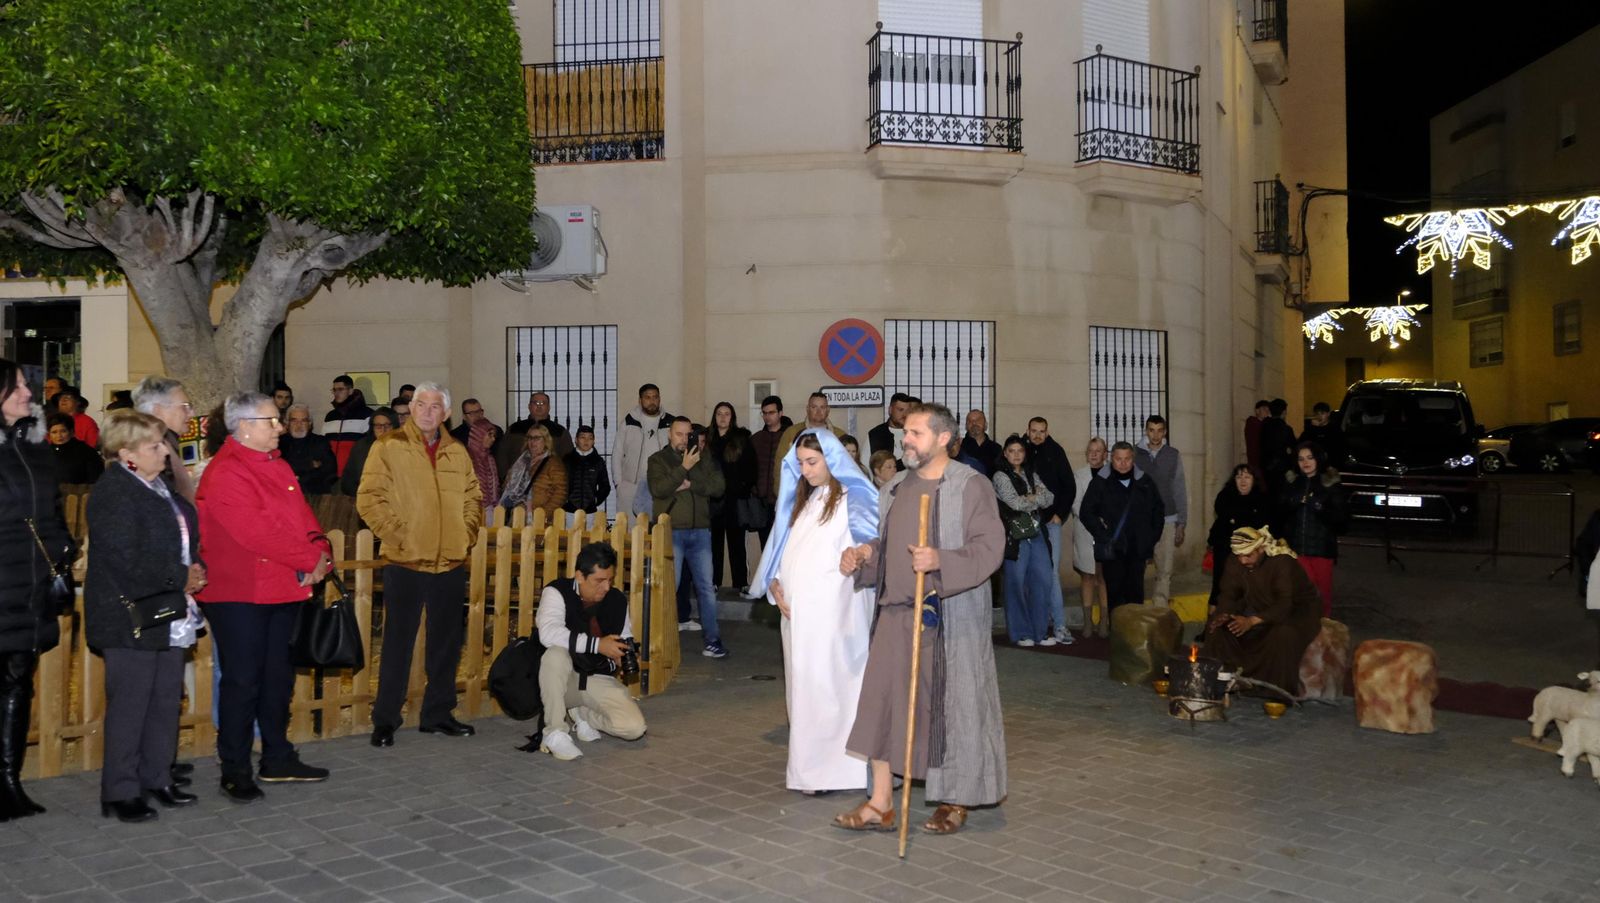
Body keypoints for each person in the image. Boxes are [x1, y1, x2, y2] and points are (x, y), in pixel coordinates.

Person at [835, 403, 1006, 836]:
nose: (905, 440)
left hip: (949, 619)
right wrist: (865, 556)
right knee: (882, 704)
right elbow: (887, 543)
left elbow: (990, 548)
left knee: (954, 708)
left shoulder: (971, 486)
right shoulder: (893, 487)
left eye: (914, 433)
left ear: (943, 438)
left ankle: (955, 799)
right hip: (895, 614)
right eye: (905, 433)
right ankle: (880, 804)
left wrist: (941, 560)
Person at [195, 391, 333, 802]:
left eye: (279, 420)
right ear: (243, 427)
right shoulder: (226, 472)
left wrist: (321, 550)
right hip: (239, 594)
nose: (279, 427)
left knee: (277, 677)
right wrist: (310, 557)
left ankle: (277, 756)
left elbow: (302, 517)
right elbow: (254, 532)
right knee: (242, 680)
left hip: (280, 588)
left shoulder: (277, 465)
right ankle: (235, 767)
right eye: (271, 421)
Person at [84, 412, 206, 822]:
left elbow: (182, 535)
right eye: (154, 446)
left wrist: (195, 566)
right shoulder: (114, 491)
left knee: (164, 699)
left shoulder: (156, 486)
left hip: (166, 608)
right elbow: (124, 557)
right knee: (131, 704)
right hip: (129, 613)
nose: (164, 452)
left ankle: (157, 777)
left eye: (162, 444)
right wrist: (180, 575)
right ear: (127, 454)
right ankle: (119, 790)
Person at [750, 429, 877, 794]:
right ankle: (812, 769)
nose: (805, 470)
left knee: (832, 689)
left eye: (812, 462)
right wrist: (776, 581)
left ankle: (841, 771)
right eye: (801, 463)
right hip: (800, 617)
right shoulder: (805, 500)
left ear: (833, 459)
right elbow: (783, 549)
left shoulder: (855, 496)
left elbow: (870, 543)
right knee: (804, 692)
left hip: (836, 614)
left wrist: (858, 555)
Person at [358, 382, 483, 748]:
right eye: (421, 404)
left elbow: (474, 497)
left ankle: (438, 713)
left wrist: (466, 533)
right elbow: (368, 499)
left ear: (446, 414)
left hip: (450, 562)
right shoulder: (388, 447)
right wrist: (398, 535)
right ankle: (385, 719)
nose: (428, 412)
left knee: (446, 644)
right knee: (397, 642)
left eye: (435, 407)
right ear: (411, 409)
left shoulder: (457, 452)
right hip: (406, 562)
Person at [0, 359, 74, 820]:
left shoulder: (36, 448)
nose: (29, 393)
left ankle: (8, 781)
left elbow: (52, 508)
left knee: (16, 682)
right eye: (19, 387)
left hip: (29, 586)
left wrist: (64, 545)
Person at [534, 542, 647, 761]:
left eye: (610, 580)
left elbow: (624, 635)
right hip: (561, 681)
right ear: (579, 576)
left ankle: (582, 714)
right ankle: (555, 732)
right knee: (555, 654)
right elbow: (547, 633)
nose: (606, 587)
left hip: (596, 677)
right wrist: (598, 645)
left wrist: (623, 655)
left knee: (633, 728)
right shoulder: (557, 591)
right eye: (599, 581)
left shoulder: (616, 600)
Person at [1201, 527, 1322, 695]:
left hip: (1295, 613)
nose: (1242, 561)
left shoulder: (1281, 562)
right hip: (1257, 609)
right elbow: (1228, 595)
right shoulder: (1234, 561)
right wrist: (1224, 615)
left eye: (1248, 555)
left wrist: (1251, 621)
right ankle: (1224, 681)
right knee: (1216, 628)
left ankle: (1273, 691)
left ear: (1260, 549)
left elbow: (1284, 604)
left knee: (1283, 635)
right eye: (1239, 556)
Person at [648, 417, 727, 656]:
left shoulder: (703, 459)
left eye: (687, 434)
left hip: (701, 531)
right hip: (672, 531)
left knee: (706, 588)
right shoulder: (658, 460)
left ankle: (713, 641)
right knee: (668, 587)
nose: (684, 439)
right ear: (669, 435)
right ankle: (660, 642)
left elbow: (718, 487)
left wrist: (688, 481)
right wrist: (682, 469)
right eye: (679, 434)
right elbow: (658, 489)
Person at [1078, 441, 1165, 610]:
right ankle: (1117, 634)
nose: (1123, 463)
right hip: (1113, 551)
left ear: (1133, 459)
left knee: (1136, 596)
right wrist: (1103, 535)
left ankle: (1134, 635)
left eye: (1127, 459)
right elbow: (1086, 512)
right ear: (1111, 458)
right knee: (1115, 597)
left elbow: (1158, 511)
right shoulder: (1100, 482)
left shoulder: (1145, 482)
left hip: (1138, 550)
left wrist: (1150, 539)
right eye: (1119, 459)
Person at [993, 435, 1061, 647]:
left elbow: (1049, 497)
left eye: (1020, 451)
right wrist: (1034, 498)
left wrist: (1032, 498)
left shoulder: (1031, 473)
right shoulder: (1000, 476)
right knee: (1016, 582)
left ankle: (1040, 631)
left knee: (1043, 578)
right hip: (1014, 534)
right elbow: (1014, 503)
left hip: (1036, 531)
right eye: (1011, 451)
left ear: (1025, 454)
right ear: (1005, 453)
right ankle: (1021, 632)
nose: (1016, 455)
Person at [1278, 441, 1347, 616]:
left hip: (1321, 548)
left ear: (1318, 459)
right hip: (1296, 549)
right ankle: (1302, 633)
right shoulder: (1292, 483)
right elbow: (1279, 513)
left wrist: (1318, 506)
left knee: (1322, 596)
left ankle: (1324, 633)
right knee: (1301, 594)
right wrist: (1293, 503)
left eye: (1310, 457)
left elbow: (1342, 520)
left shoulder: (1329, 483)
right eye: (1301, 459)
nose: (1305, 462)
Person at [1023, 417, 1075, 644]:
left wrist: (1059, 514)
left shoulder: (1056, 451)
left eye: (1041, 431)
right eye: (1034, 431)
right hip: (1026, 522)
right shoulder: (1021, 451)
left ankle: (1060, 625)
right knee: (1028, 574)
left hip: (1050, 522)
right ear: (1028, 431)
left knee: (1051, 574)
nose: (1037, 435)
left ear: (1047, 432)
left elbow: (1069, 486)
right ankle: (1035, 626)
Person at [1134, 415, 1187, 608]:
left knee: (1165, 568)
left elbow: (1179, 488)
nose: (1155, 435)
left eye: (1159, 430)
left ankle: (1160, 608)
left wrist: (1182, 522)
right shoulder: (1134, 453)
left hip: (1168, 518)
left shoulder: (1173, 454)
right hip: (1142, 520)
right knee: (1137, 566)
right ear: (1146, 431)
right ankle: (1136, 606)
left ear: (1164, 432)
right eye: (1151, 430)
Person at [1208, 464, 1272, 608]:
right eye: (1239, 477)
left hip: (1251, 553)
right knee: (1219, 587)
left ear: (1254, 480)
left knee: (1247, 589)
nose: (1243, 480)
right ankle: (1211, 627)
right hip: (1225, 548)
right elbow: (1223, 517)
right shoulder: (1225, 496)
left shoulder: (1262, 499)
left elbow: (1262, 526)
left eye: (1247, 477)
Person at [709, 402, 755, 593]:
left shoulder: (741, 438)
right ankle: (714, 582)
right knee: (714, 544)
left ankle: (741, 582)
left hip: (735, 500)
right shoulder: (708, 438)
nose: (723, 417)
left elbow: (752, 467)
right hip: (713, 500)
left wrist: (743, 489)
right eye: (719, 413)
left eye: (727, 414)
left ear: (732, 417)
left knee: (737, 544)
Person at [133, 375, 198, 504]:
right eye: (184, 406)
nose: (192, 414)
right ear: (158, 411)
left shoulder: (142, 443)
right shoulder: (154, 450)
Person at [615, 384, 674, 517]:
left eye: (655, 397)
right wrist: (619, 483)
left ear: (659, 399)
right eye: (647, 397)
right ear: (640, 400)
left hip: (662, 487)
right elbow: (617, 453)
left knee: (659, 531)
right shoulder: (629, 421)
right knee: (630, 533)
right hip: (631, 487)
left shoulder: (671, 423)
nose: (652, 401)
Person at [1071, 438, 1109, 637]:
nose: (1094, 454)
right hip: (1085, 531)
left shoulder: (1112, 474)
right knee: (1087, 575)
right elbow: (1076, 504)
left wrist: (1105, 521)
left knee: (1103, 577)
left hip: (1105, 532)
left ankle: (1104, 620)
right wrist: (1093, 520)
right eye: (1091, 450)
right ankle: (1087, 622)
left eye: (1099, 450)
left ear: (1105, 454)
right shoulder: (1079, 475)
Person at [774, 392, 845, 494]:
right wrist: (782, 496)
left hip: (832, 497)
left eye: (822, 407)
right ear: (807, 409)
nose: (818, 411)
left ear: (828, 410)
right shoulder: (792, 433)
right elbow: (780, 467)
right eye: (814, 407)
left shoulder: (839, 436)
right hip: (799, 496)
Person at [496, 392, 572, 480]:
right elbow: (502, 455)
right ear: (529, 406)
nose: (539, 406)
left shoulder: (559, 431)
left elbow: (568, 461)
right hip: (516, 483)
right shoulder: (515, 429)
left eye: (543, 403)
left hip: (548, 484)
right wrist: (505, 478)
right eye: (535, 403)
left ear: (549, 407)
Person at [499, 423, 567, 519]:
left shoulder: (554, 463)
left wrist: (542, 514)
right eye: (530, 438)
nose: (532, 442)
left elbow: (560, 494)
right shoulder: (521, 461)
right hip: (514, 514)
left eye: (537, 438)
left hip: (538, 517)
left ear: (546, 440)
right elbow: (507, 486)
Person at [748, 395, 790, 550]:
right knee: (765, 547)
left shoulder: (788, 438)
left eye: (771, 412)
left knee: (783, 547)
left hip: (782, 501)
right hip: (761, 502)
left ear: (780, 413)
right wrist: (755, 490)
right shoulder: (756, 439)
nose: (767, 416)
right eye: (764, 413)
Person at [279, 404, 339, 495]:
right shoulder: (278, 443)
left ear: (310, 423)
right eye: (294, 420)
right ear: (287, 423)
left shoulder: (320, 442)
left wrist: (298, 476)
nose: (299, 425)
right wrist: (310, 464)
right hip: (283, 493)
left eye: (304, 421)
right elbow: (277, 470)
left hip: (314, 494)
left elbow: (330, 471)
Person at [339, 406, 396, 497]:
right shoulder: (361, 447)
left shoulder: (405, 447)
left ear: (394, 426)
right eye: (378, 426)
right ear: (372, 428)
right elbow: (348, 481)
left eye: (387, 425)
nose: (383, 430)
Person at [323, 375, 373, 474]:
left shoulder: (366, 415)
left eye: (341, 389)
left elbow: (369, 446)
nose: (336, 393)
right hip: (331, 474)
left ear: (350, 391)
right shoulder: (330, 416)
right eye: (334, 390)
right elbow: (324, 444)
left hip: (355, 473)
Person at [563, 425, 610, 524]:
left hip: (590, 512)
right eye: (582, 437)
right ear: (576, 440)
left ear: (594, 441)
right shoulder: (567, 460)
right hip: (569, 511)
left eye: (590, 438)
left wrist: (596, 500)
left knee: (590, 539)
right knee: (569, 539)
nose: (586, 441)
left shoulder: (598, 461)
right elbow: (559, 484)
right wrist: (564, 500)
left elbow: (605, 486)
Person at [46, 413, 103, 485]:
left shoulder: (86, 452)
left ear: (71, 432)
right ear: (49, 435)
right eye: (54, 432)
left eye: (63, 431)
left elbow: (96, 481)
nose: (59, 436)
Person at [1259, 398, 1298, 496]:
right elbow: (1294, 448)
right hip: (1283, 470)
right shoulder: (1286, 429)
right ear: (1284, 412)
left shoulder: (1264, 427)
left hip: (1267, 467)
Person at [465, 417, 501, 517]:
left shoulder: (490, 459)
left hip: (491, 510)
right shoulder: (466, 457)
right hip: (472, 511)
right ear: (479, 435)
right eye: (489, 435)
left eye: (494, 435)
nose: (493, 439)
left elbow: (495, 488)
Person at [867, 392, 913, 467]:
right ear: (890, 410)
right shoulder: (876, 434)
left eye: (908, 411)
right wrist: (903, 462)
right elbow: (867, 468)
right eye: (900, 410)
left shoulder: (917, 435)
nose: (905, 415)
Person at [1299, 401, 1346, 469]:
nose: (1319, 416)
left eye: (1322, 413)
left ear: (1328, 414)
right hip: (1313, 466)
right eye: (1317, 414)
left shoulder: (1335, 429)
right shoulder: (1311, 429)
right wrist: (1313, 428)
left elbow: (1340, 448)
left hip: (1330, 466)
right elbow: (1302, 443)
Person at [959, 409, 1002, 477]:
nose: (974, 423)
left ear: (985, 424)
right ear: (966, 426)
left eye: (978, 420)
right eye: (970, 421)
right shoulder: (959, 447)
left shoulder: (996, 448)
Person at [1244, 399, 1269, 478]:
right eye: (1264, 409)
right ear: (1257, 410)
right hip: (1256, 459)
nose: (1266, 412)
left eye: (1268, 410)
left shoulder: (1265, 424)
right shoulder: (1253, 423)